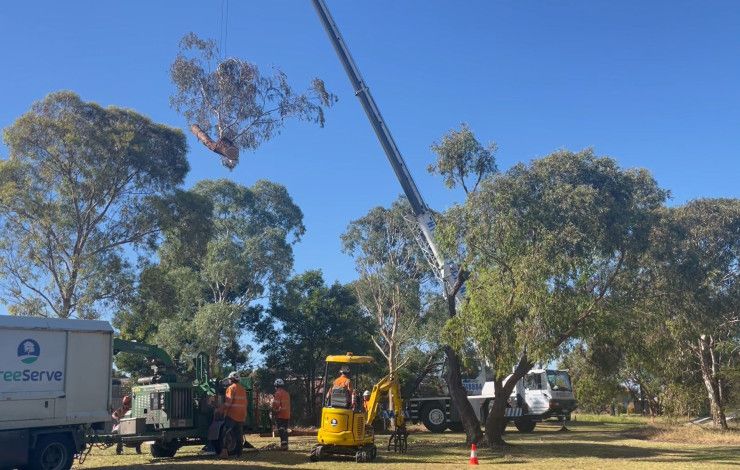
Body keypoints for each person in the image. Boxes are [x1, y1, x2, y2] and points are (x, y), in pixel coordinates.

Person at [220, 371, 247, 458]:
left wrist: (220, 409)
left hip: (232, 415)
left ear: (231, 379)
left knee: (226, 432)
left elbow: (228, 403)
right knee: (239, 435)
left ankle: (224, 452)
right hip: (241, 415)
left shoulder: (231, 388)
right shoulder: (242, 389)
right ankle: (239, 454)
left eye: (229, 379)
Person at [271, 378, 291, 451]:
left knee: (281, 430)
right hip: (287, 414)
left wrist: (273, 410)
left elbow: (276, 404)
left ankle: (284, 446)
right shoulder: (286, 393)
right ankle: (285, 445)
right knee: (285, 430)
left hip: (280, 414)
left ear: (276, 386)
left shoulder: (277, 393)